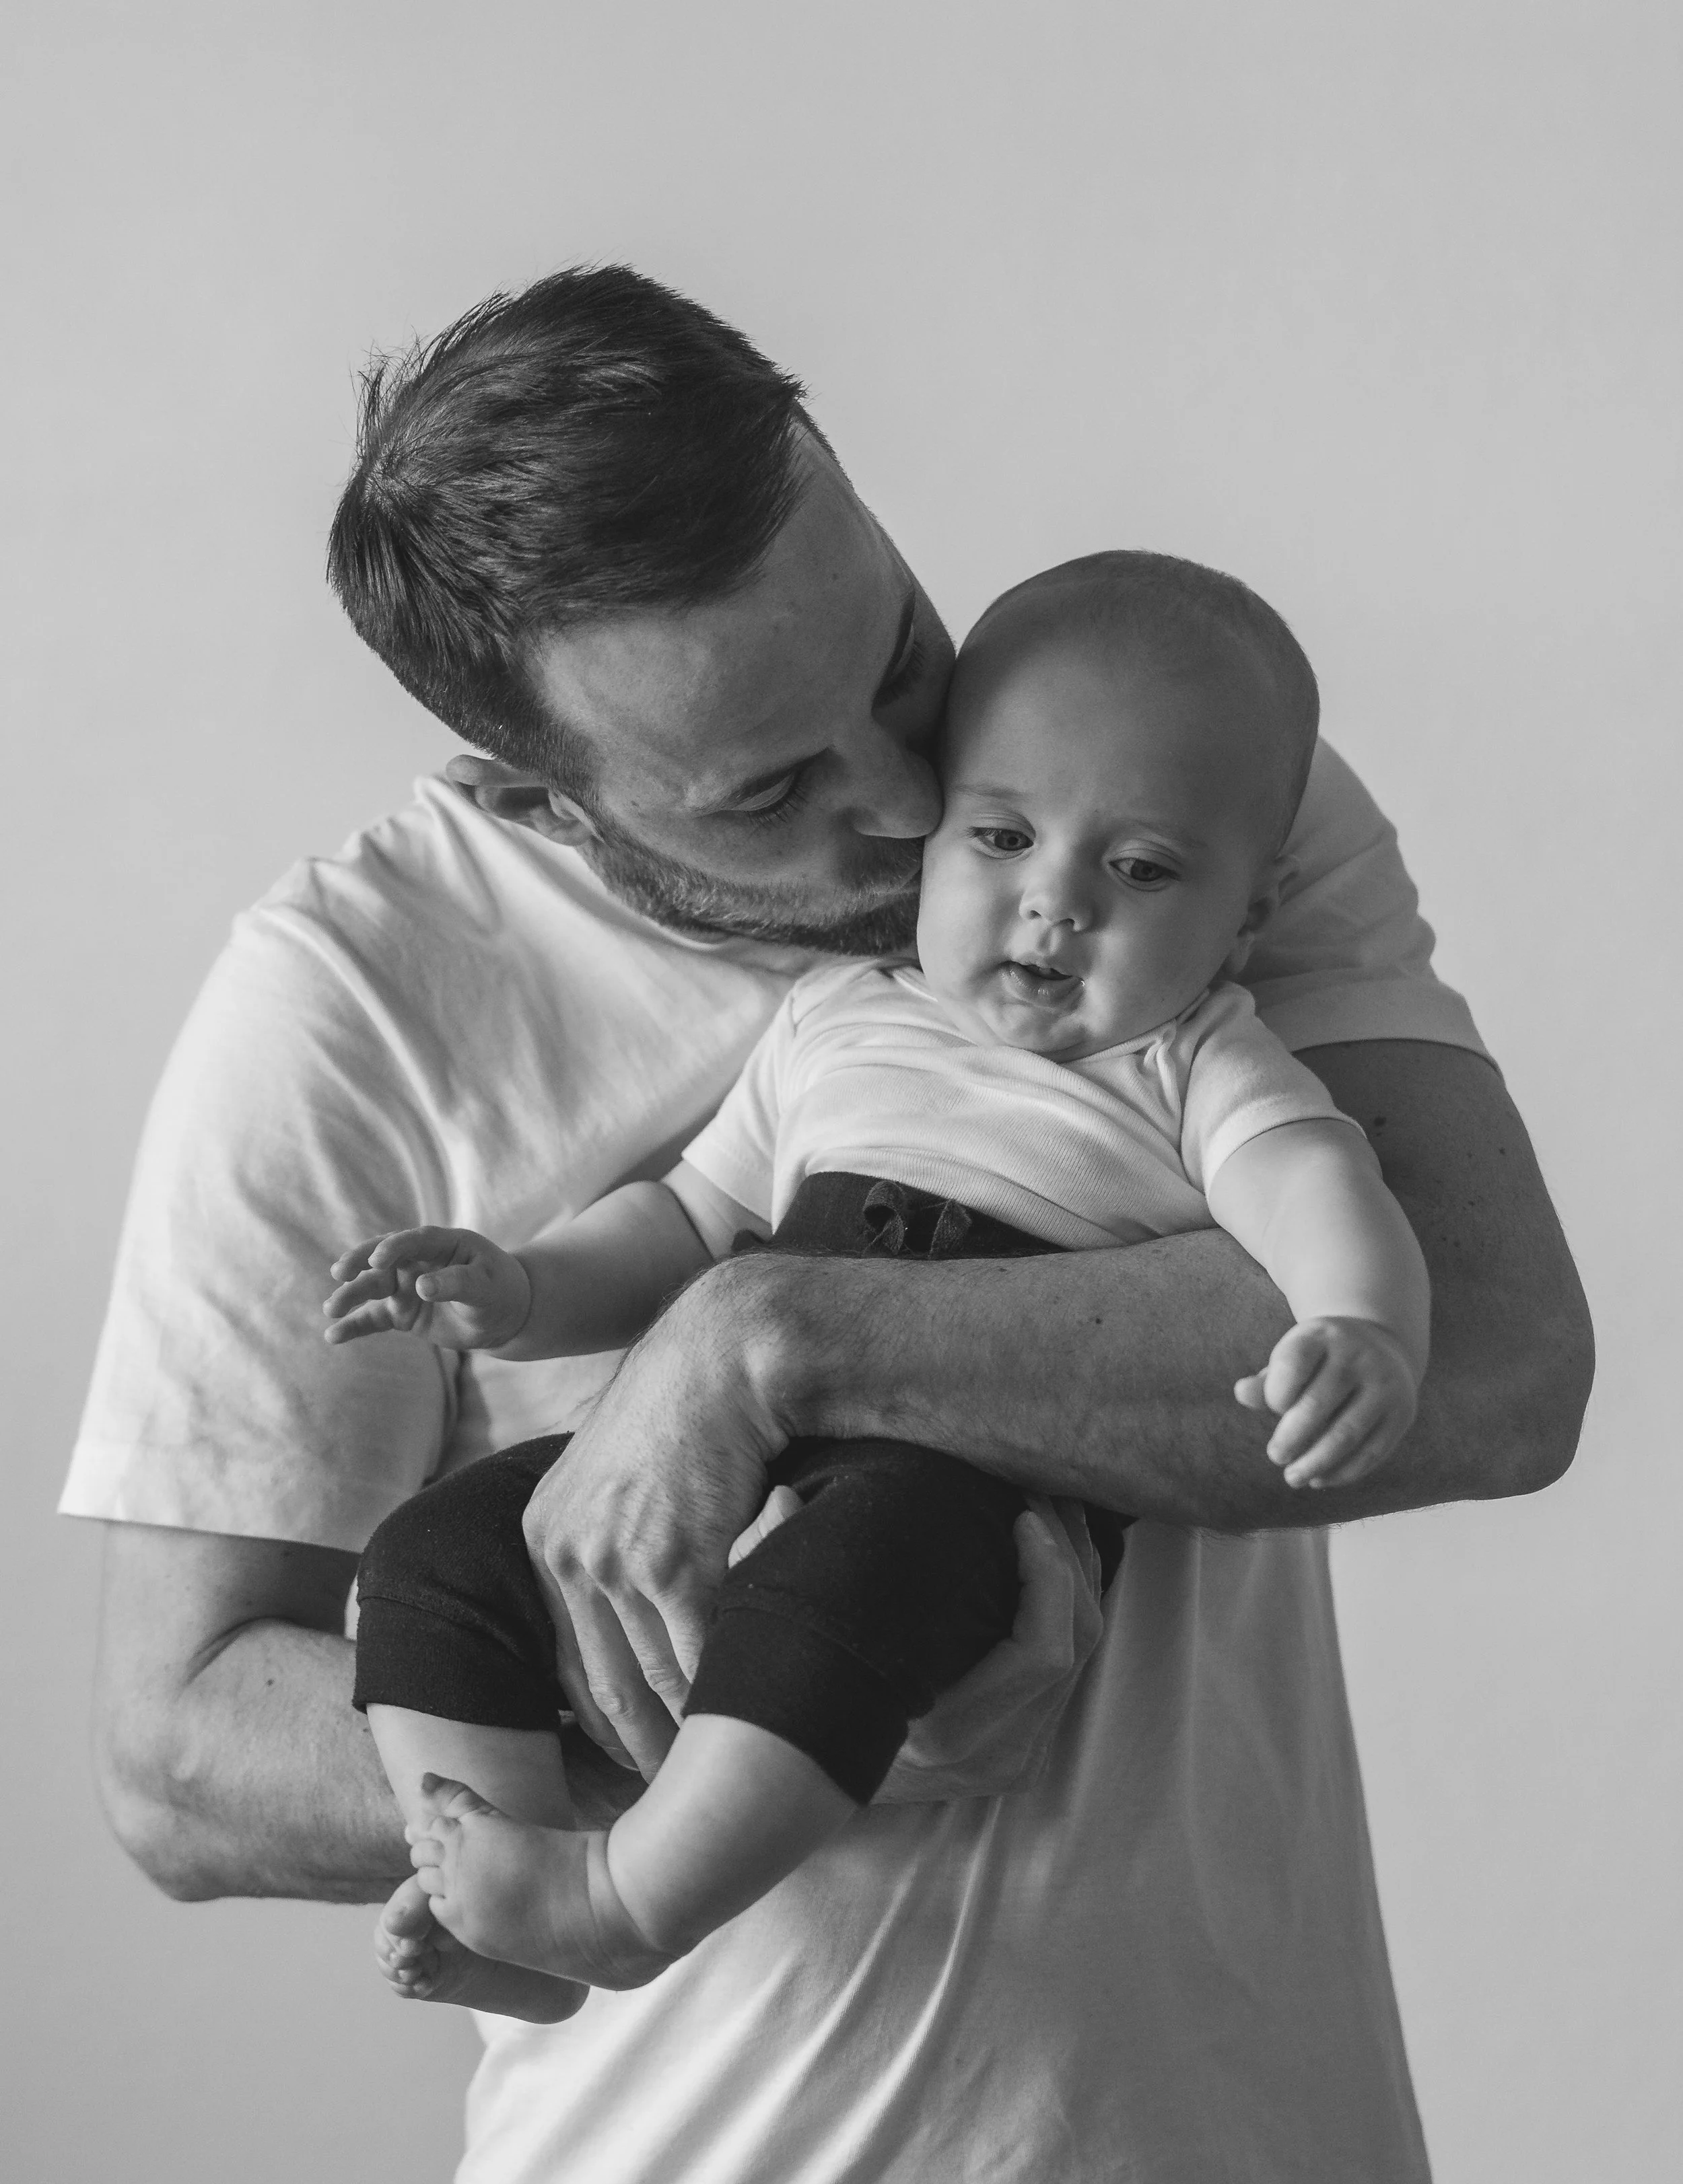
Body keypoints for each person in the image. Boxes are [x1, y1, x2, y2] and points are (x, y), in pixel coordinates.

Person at [71, 266, 1592, 2184]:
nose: (911, 814)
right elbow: (183, 1753)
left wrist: (781, 1340)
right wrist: (776, 1723)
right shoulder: (354, 1004)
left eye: (893, 655)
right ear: (536, 787)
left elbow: (1478, 1360)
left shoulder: (1154, 785)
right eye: (773, 787)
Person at [322, 550, 1431, 2021]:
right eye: (1000, 838)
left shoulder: (1194, 1060)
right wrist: (518, 1289)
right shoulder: (834, 1017)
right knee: (439, 1549)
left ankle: (621, 1903)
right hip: (725, 1457)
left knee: (836, 1601)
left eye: (1142, 870)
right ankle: (499, 1874)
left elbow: (1317, 1191)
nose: (1053, 907)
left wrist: (1361, 1326)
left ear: (1245, 913)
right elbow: (680, 1221)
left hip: (956, 1487)